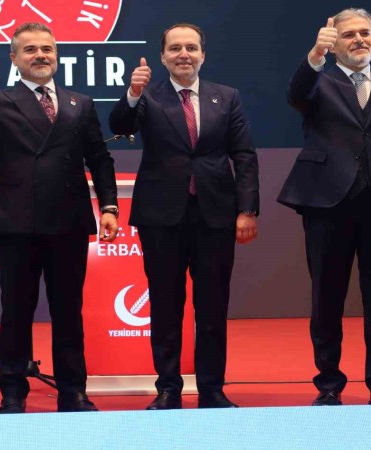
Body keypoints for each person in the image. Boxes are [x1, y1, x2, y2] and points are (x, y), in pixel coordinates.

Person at [0, 22, 118, 414]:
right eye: (30, 50)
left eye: (47, 48)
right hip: (17, 224)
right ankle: (12, 392)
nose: (40, 55)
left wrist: (110, 206)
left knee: (68, 312)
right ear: (14, 58)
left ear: (57, 55)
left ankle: (73, 391)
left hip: (68, 222)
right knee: (16, 311)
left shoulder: (80, 103)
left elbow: (99, 157)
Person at [278, 9, 371, 406]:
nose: (359, 39)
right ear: (335, 43)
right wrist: (316, 54)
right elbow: (296, 94)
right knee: (326, 297)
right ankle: (329, 384)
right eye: (349, 35)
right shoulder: (319, 81)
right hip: (327, 203)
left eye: (365, 33)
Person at [109, 23, 259, 410]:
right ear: (163, 57)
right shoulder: (148, 96)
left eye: (191, 47)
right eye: (175, 48)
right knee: (165, 305)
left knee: (213, 307)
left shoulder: (227, 97)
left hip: (215, 215)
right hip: (161, 216)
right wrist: (132, 93)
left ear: (203, 55)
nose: (183, 54)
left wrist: (247, 209)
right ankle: (168, 388)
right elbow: (120, 125)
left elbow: (244, 155)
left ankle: (212, 389)